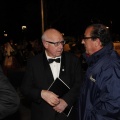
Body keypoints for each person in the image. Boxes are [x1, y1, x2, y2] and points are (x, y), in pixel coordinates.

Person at [20, 28, 82, 120]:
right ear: (46, 44)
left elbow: (80, 84)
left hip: (67, 116)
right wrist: (41, 93)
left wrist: (66, 101)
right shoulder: (33, 62)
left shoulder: (73, 60)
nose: (61, 46)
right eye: (56, 43)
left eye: (62, 42)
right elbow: (25, 88)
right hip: (42, 115)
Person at [78, 23, 120, 120]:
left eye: (85, 38)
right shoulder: (96, 61)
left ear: (97, 41)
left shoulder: (110, 66)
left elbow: (113, 106)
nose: (82, 42)